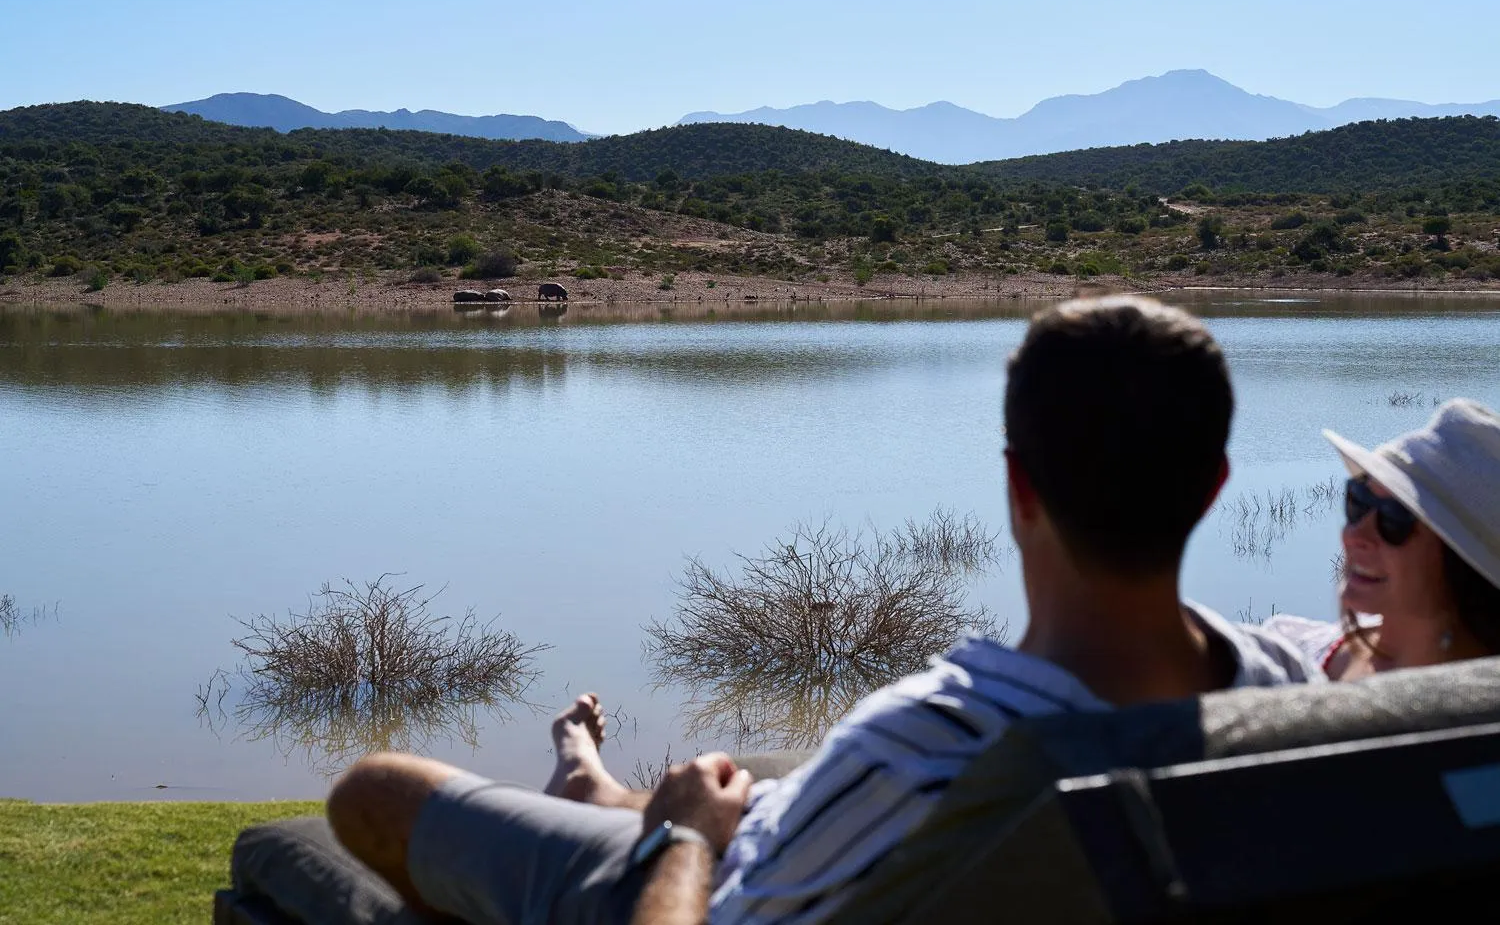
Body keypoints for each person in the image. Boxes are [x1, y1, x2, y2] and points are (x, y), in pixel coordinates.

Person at [326, 295, 1320, 925]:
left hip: (706, 882)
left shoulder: (929, 746)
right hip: (819, 836)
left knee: (374, 788)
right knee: (739, 782)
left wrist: (683, 844)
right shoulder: (1284, 702)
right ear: (1214, 486)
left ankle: (608, 796)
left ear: (1019, 488)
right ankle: (587, 780)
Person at [1265, 398, 1500, 680]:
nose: (1353, 535)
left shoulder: (1476, 708)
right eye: (1359, 501)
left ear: (1461, 563)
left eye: (1394, 519)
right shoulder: (1282, 656)